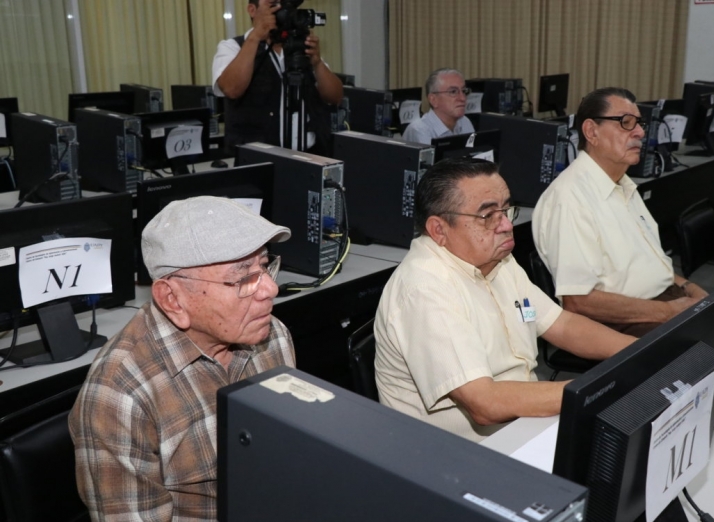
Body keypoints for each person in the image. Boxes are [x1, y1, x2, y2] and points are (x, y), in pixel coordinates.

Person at [69, 196, 296, 522]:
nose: (270, 288)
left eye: (265, 266)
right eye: (243, 279)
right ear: (172, 299)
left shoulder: (272, 336)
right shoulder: (121, 396)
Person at [374, 158, 635, 442]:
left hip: (523, 424)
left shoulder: (498, 260)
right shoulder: (424, 289)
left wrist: (645, 352)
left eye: (506, 209)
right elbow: (485, 404)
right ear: (439, 230)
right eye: (487, 216)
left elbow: (561, 325)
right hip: (463, 458)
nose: (506, 225)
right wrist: (597, 390)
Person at [532, 87, 709, 337]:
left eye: (639, 123)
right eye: (626, 123)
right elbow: (579, 302)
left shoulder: (624, 186)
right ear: (592, 131)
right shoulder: (570, 199)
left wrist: (689, 287)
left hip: (663, 301)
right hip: (618, 321)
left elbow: (651, 266)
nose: (640, 132)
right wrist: (668, 311)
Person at [211, 0, 344, 155]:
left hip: (309, 156)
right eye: (273, 5)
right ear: (252, 10)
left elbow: (335, 97)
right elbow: (231, 89)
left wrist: (317, 63)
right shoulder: (232, 47)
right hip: (258, 159)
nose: (282, 12)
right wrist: (255, 37)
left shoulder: (299, 47)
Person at [402, 68, 475, 145]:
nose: (463, 98)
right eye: (453, 92)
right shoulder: (419, 130)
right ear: (433, 100)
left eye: (464, 91)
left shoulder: (465, 122)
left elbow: (473, 154)